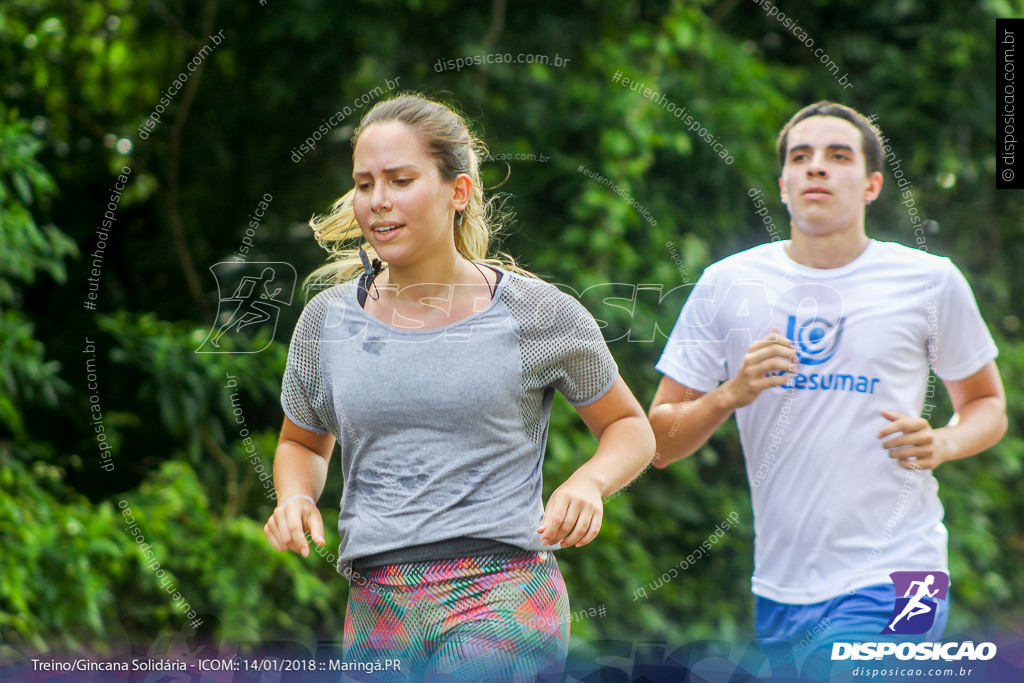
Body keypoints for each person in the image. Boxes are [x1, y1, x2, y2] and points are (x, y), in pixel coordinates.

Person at [263, 93, 655, 681]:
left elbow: (629, 428)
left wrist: (589, 483)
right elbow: (302, 444)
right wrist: (295, 497)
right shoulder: (327, 320)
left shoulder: (538, 313)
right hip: (377, 603)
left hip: (502, 592)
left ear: (459, 192)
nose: (378, 202)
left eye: (400, 180)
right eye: (364, 183)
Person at [648, 101, 1006, 674]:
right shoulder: (727, 284)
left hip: (902, 571)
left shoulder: (929, 280)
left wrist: (943, 443)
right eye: (801, 156)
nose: (817, 167)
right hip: (782, 587)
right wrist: (728, 394)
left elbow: (987, 405)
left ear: (871, 185)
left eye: (838, 157)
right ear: (783, 184)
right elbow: (659, 441)